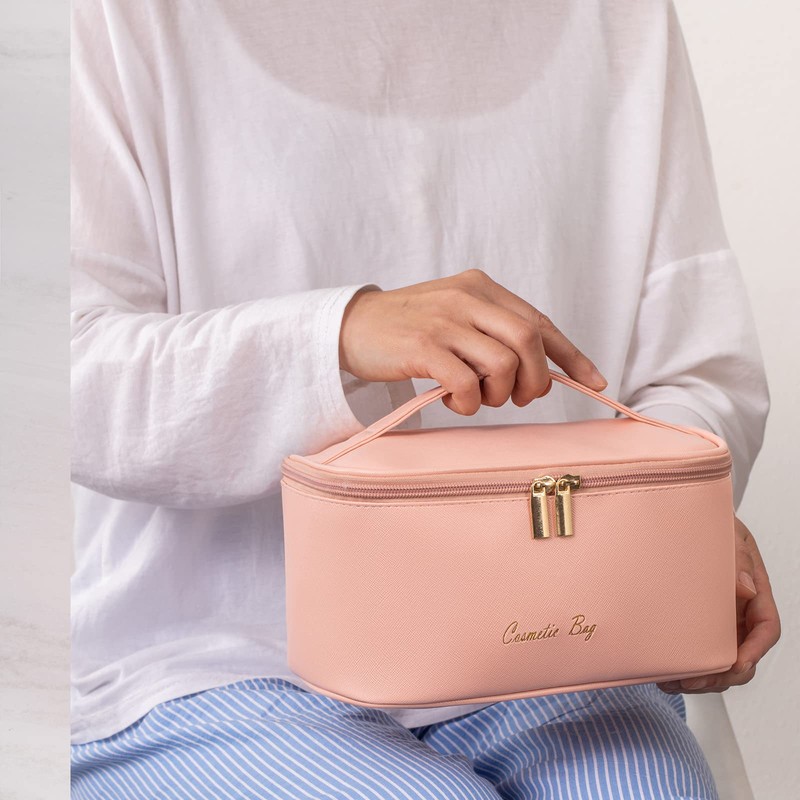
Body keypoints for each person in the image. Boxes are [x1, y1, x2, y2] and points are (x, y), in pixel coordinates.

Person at [70, 1, 780, 798]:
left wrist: (677, 523)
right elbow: (71, 382)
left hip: (559, 635)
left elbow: (698, 367)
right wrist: (339, 334)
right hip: (216, 654)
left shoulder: (619, 16)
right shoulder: (125, 18)